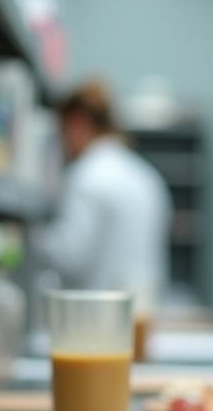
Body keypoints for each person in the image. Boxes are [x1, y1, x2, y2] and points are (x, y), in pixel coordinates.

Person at [34, 79, 172, 306]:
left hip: (97, 322)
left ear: (77, 123)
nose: (63, 146)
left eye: (62, 133)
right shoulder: (146, 176)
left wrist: (32, 239)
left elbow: (70, 257)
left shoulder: (87, 175)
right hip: (141, 315)